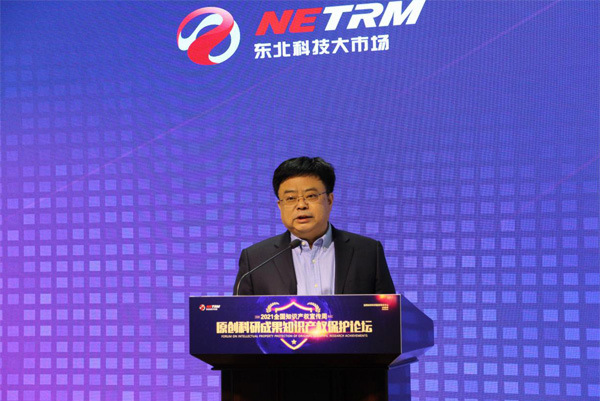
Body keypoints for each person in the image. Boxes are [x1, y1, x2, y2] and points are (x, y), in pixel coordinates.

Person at [233, 156, 396, 295]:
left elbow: (389, 314)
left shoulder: (368, 252)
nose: (301, 205)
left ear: (329, 200)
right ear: (280, 206)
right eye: (290, 198)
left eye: (311, 196)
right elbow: (240, 317)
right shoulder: (256, 259)